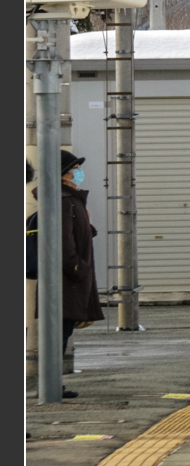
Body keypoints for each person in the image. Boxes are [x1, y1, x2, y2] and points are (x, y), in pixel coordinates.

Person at [31, 151, 105, 398]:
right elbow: (64, 244)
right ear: (64, 172)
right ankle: (51, 387)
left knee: (61, 333)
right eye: (75, 167)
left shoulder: (69, 200)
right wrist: (79, 269)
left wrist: (88, 224)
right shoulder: (64, 201)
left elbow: (74, 235)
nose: (79, 171)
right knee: (58, 334)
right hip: (65, 282)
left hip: (66, 280)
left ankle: (53, 385)